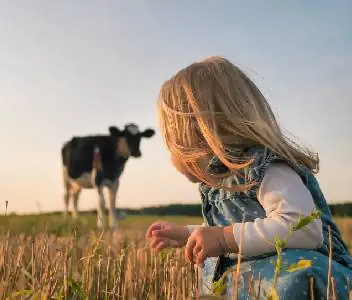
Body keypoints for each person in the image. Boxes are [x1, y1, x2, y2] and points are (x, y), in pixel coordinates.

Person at [145, 56, 352, 299]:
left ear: (200, 137)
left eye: (172, 144)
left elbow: (304, 229)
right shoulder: (222, 183)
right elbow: (236, 226)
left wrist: (223, 239)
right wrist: (187, 234)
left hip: (311, 278)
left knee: (293, 279)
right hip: (263, 280)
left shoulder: (265, 168)